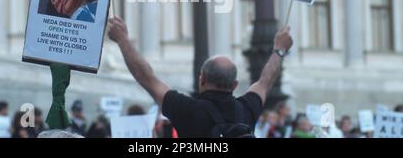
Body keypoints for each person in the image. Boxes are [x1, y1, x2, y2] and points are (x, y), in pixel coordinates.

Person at [108, 16, 293, 138]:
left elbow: (146, 77)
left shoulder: (186, 109)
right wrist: (279, 49)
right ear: (235, 85)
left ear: (202, 79)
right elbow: (266, 81)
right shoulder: (246, 108)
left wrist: (123, 40)